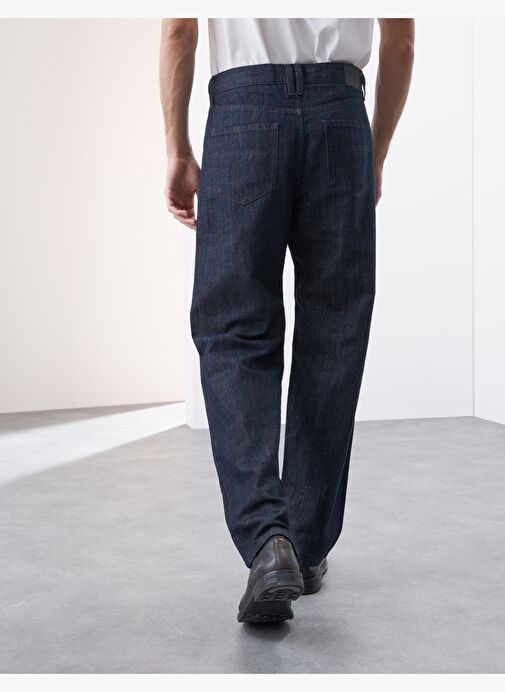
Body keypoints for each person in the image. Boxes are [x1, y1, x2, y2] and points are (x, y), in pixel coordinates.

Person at [160, 18, 414, 624]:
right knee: (334, 330)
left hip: (243, 116)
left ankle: (269, 542)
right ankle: (304, 541)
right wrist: (374, 153)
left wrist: (177, 150)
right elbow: (401, 39)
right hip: (340, 117)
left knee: (233, 330)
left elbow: (178, 31)